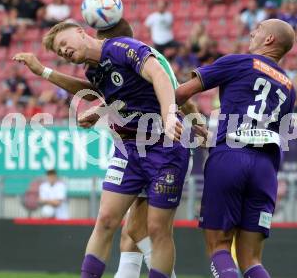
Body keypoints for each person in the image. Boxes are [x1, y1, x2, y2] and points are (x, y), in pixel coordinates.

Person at [12, 20, 190, 278]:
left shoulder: (121, 47)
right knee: (108, 220)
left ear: (81, 32)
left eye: (65, 44)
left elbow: (159, 74)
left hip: (166, 145)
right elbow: (95, 93)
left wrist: (170, 114)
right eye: (60, 52)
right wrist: (45, 72)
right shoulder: (93, 71)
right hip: (129, 147)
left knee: (154, 230)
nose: (64, 51)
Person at [78, 18, 200, 278]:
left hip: (162, 147)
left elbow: (175, 94)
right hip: (138, 148)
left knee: (141, 229)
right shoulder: (114, 70)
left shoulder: (138, 59)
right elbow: (119, 99)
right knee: (130, 230)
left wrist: (191, 122)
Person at [175, 19, 296, 278]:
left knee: (219, 246)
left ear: (269, 39)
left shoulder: (240, 62)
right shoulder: (289, 86)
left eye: (259, 29)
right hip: (265, 168)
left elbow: (181, 93)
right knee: (251, 259)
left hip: (230, 156)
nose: (253, 32)